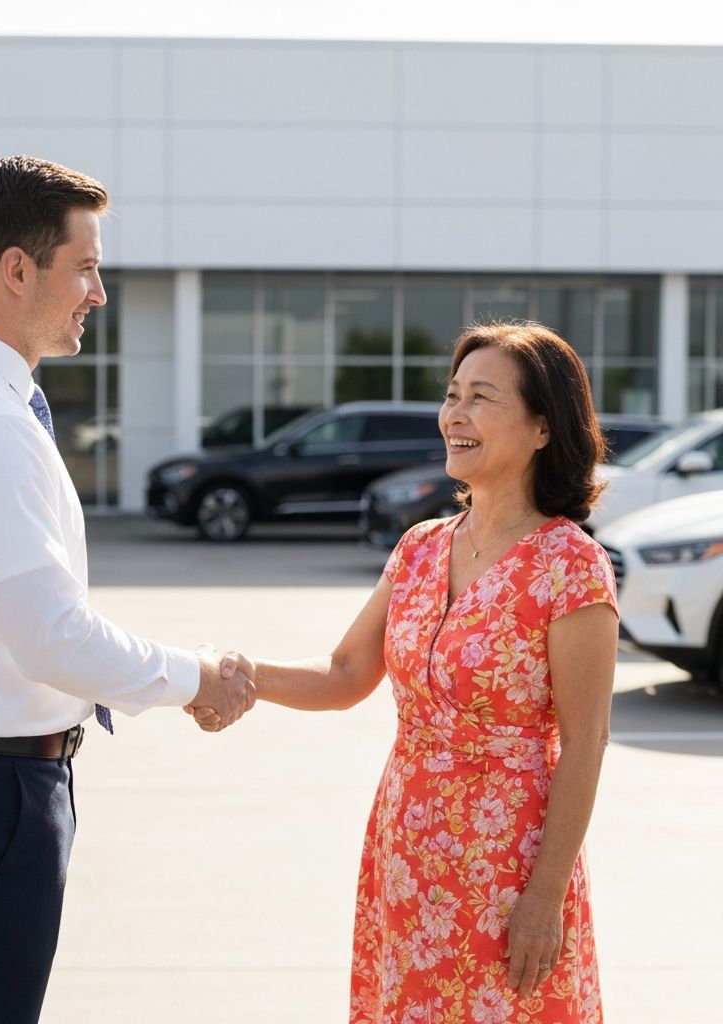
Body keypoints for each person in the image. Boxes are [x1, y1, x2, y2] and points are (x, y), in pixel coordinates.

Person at [0, 155, 254, 1024]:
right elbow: (50, 635)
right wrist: (197, 677)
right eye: (85, 266)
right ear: (15, 270)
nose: (99, 292)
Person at [204, 321, 618, 1022]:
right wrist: (237, 674)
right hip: (408, 854)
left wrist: (545, 897)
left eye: (481, 397)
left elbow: (586, 742)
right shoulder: (421, 547)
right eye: (452, 394)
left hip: (509, 869)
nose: (454, 414)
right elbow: (342, 674)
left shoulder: (570, 566)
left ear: (544, 428)